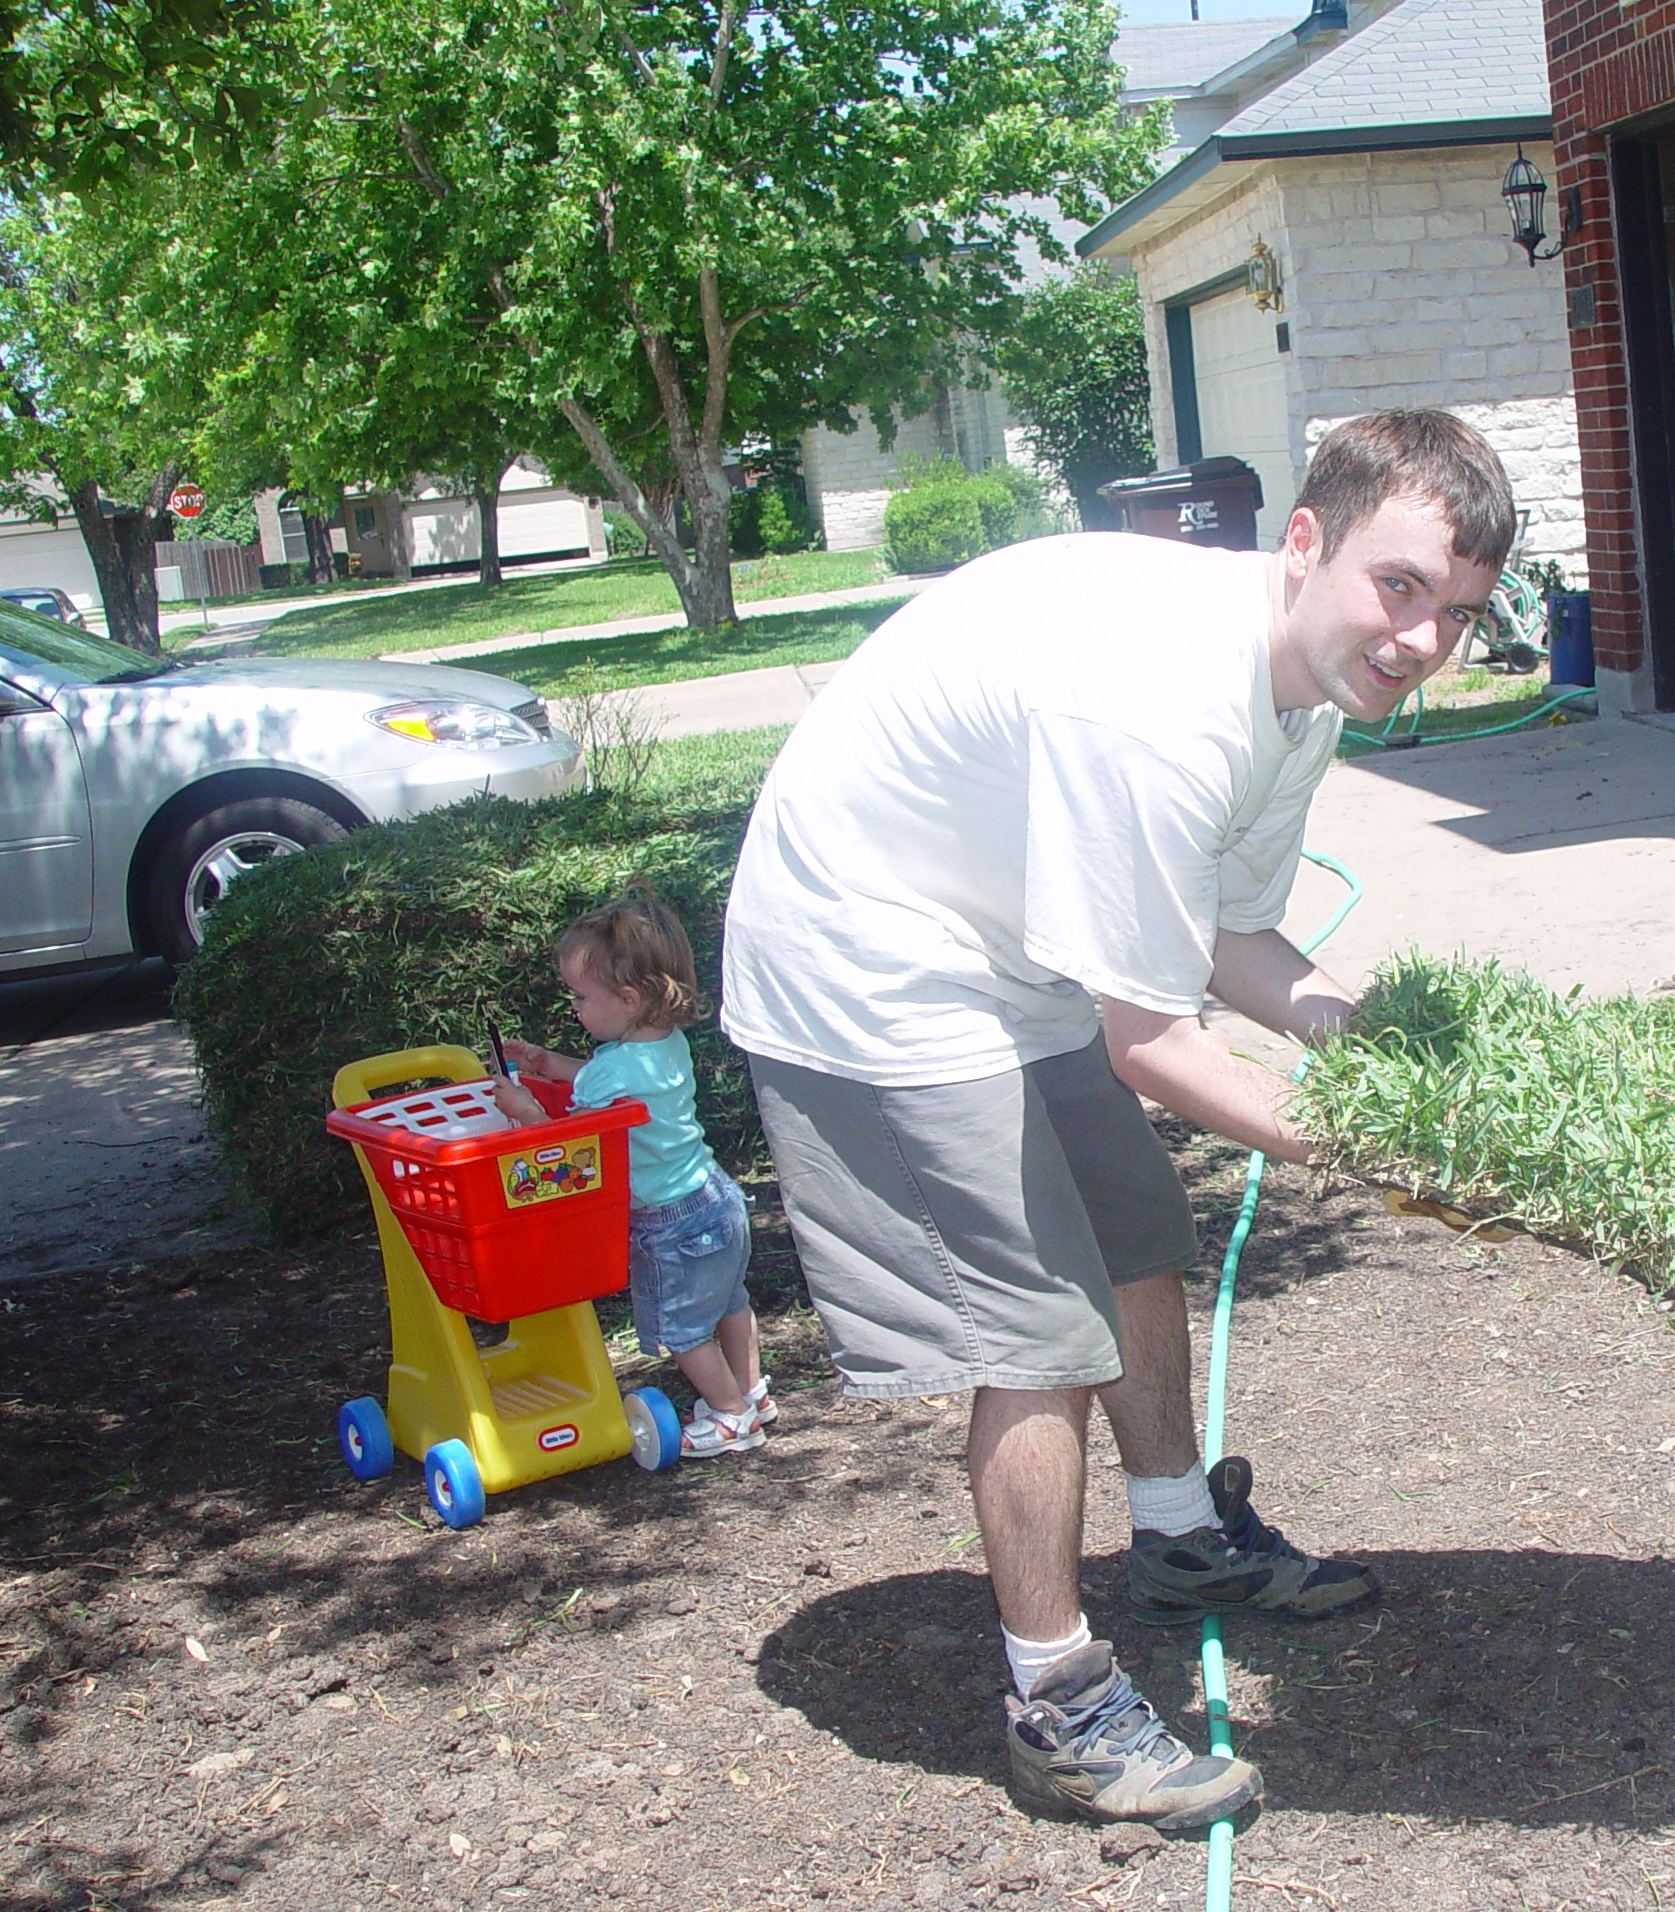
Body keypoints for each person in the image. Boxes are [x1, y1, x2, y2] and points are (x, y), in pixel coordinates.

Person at [720, 410, 1514, 1830]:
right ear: (1305, 543)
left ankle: (1179, 1538)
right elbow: (1150, 1038)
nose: (1421, 639)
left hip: (1011, 939)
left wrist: (1377, 1054)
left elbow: (1229, 934)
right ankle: (1055, 1698)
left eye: (1456, 613)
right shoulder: (1161, 699)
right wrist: (1376, 1153)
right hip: (873, 956)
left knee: (1134, 1226)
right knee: (1035, 1322)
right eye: (1400, 588)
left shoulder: (1311, 688)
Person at [492, 888, 773, 1460]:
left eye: (580, 997)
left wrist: (524, 1110)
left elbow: (574, 1151)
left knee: (682, 1331)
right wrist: (548, 1063)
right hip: (712, 1196)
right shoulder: (664, 1045)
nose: (575, 1008)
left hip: (670, 1221)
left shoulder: (610, 1073)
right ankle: (750, 1393)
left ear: (626, 996)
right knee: (728, 1303)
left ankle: (730, 1419)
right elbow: (607, 1084)